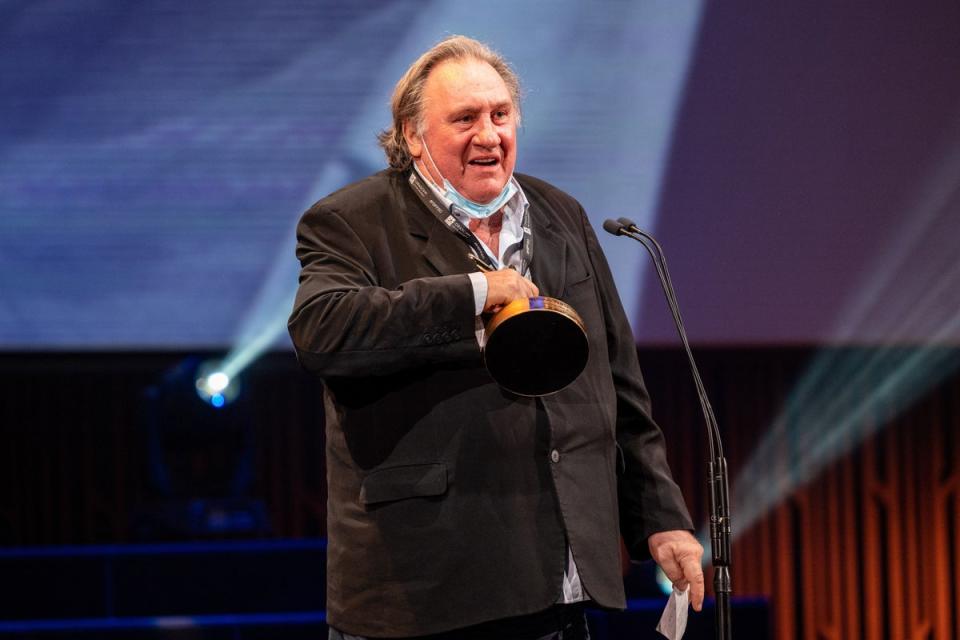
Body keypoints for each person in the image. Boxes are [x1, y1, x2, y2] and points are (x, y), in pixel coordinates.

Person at [288, 35, 704, 639]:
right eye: (464, 119)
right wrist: (476, 296)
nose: (489, 135)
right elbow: (321, 329)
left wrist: (659, 517)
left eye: (500, 114)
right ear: (412, 135)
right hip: (426, 590)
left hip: (557, 585)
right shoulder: (353, 220)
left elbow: (616, 387)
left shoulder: (561, 214)